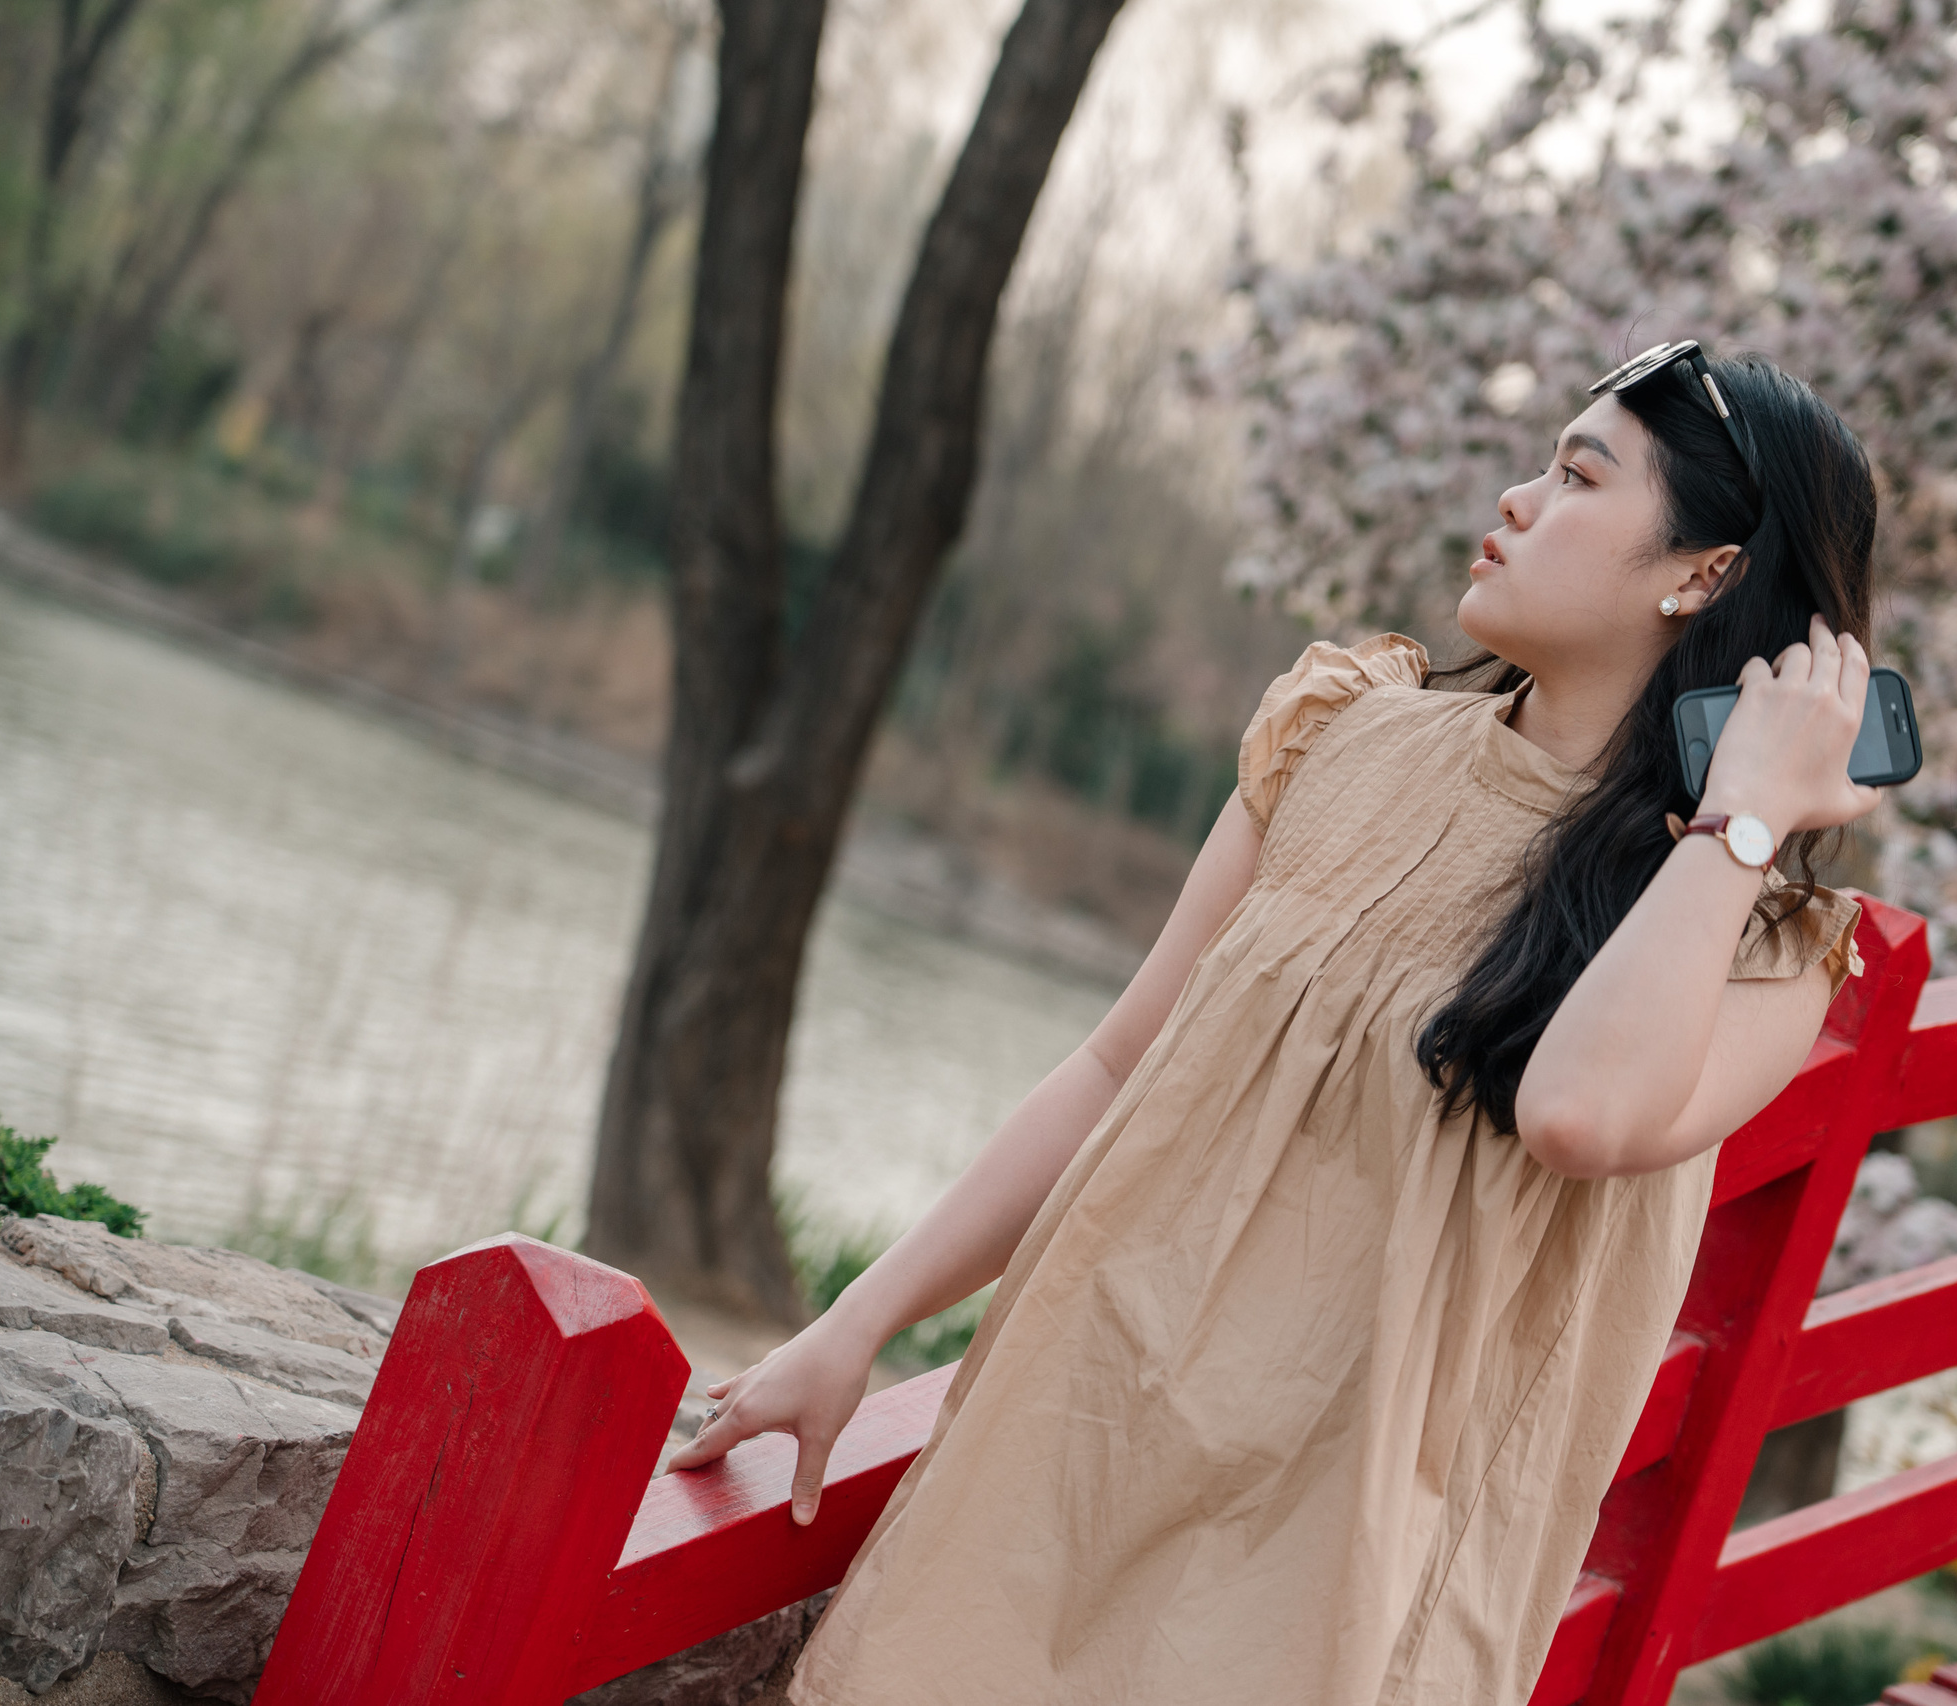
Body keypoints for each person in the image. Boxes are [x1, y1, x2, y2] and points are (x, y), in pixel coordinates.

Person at [671, 343, 1887, 1705]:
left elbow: (1578, 1112)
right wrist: (858, 1320)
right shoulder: (1337, 736)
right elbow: (1118, 1059)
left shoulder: (1764, 949)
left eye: (1577, 475)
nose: (1516, 496)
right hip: (1072, 1458)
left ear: (1704, 571)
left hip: (1332, 1592)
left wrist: (1741, 826)